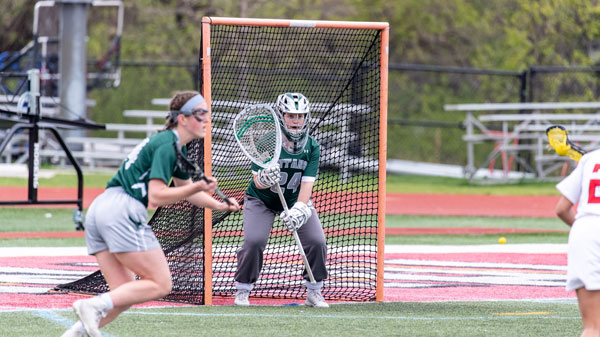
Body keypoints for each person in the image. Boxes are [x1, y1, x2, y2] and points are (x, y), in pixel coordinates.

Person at [61, 91, 240, 337]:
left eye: (207, 114)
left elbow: (186, 191)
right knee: (161, 283)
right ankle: (91, 305)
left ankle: (73, 333)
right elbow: (156, 196)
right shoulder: (168, 145)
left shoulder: (174, 147)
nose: (206, 119)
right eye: (200, 114)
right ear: (182, 119)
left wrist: (218, 205)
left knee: (122, 295)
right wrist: (198, 185)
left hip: (102, 208)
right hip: (122, 210)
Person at [234, 92, 329, 308]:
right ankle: (243, 288)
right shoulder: (268, 140)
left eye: (300, 116)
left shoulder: (312, 147)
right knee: (254, 241)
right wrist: (265, 179)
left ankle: (314, 291)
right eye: (291, 116)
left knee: (317, 242)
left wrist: (300, 209)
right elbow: (257, 182)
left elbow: (307, 184)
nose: (296, 121)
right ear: (281, 116)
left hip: (295, 199)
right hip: (263, 199)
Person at [555, 148, 600, 337]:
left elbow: (562, 209)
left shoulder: (590, 158)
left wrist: (584, 229)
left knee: (593, 328)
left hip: (585, 234)